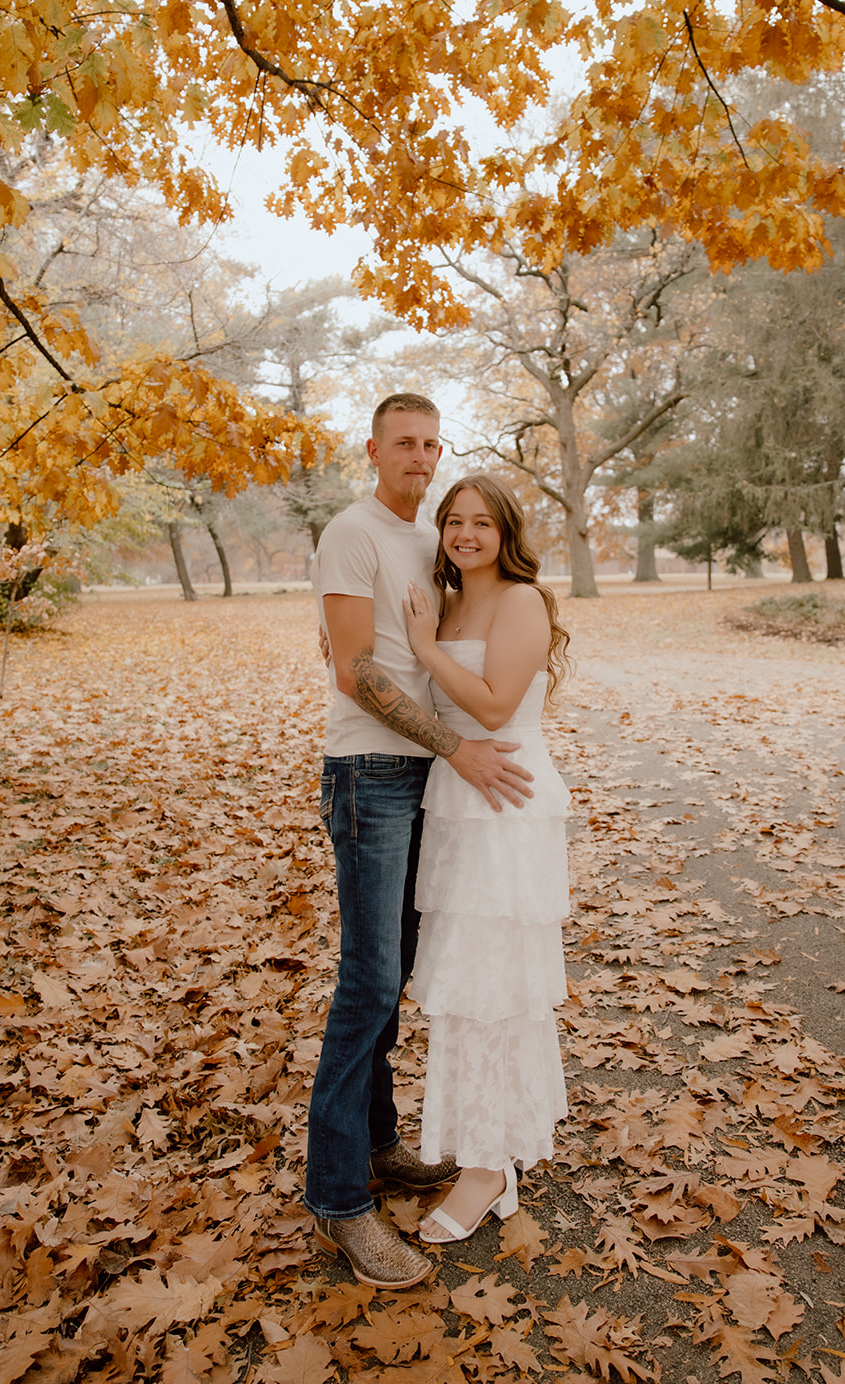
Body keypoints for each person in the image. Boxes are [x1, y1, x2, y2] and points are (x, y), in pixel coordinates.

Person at [305, 396, 535, 1290]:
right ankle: (337, 1201)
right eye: (404, 442)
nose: (420, 456)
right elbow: (353, 669)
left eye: (432, 443)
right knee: (366, 980)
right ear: (373, 449)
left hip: (422, 778)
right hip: (370, 772)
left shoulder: (428, 540)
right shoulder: (351, 532)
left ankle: (376, 1145)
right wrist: (457, 748)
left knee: (392, 972)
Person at [401, 473, 572, 1243]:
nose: (465, 535)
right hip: (454, 802)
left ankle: (486, 1167)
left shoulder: (519, 600)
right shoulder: (443, 602)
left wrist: (423, 649)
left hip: (505, 799)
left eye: (481, 523)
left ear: (505, 533)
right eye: (453, 522)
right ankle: (485, 1147)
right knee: (462, 986)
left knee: (493, 983)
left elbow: (496, 705)